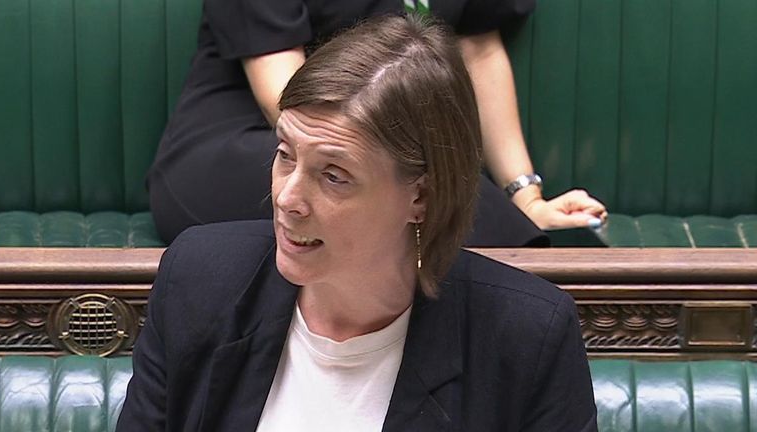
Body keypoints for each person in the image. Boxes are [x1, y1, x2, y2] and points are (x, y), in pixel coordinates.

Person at [118, 15, 597, 431]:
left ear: (421, 197)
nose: (287, 198)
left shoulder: (526, 339)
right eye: (285, 154)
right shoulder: (198, 282)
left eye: (334, 176)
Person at [146, 0, 607, 247]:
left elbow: (477, 50)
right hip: (258, 148)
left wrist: (525, 197)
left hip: (387, 156)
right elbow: (288, 101)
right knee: (427, 196)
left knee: (436, 197)